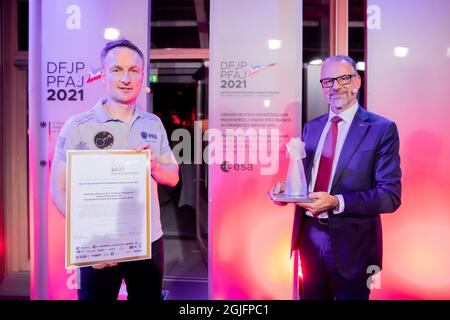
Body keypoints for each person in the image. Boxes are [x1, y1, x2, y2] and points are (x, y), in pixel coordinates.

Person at [50, 39, 179, 300]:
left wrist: (154, 165)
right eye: (117, 70)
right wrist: (88, 238)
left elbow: (173, 177)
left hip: (148, 242)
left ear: (142, 76)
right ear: (103, 75)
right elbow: (58, 188)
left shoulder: (153, 124)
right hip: (99, 244)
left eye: (133, 70)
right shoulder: (78, 126)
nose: (126, 78)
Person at [271, 55, 401, 300]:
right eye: (327, 80)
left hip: (353, 245)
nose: (336, 86)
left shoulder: (381, 129)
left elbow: (390, 196)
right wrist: (287, 190)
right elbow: (309, 181)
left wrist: (337, 201)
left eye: (343, 78)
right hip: (309, 238)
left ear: (357, 82)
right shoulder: (312, 127)